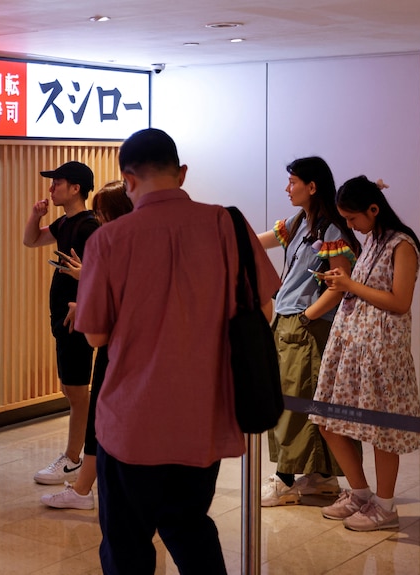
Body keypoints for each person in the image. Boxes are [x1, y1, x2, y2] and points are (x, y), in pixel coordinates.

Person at [75, 128, 280, 574]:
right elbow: (264, 309)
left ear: (127, 180)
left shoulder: (107, 241)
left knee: (126, 545)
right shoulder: (228, 225)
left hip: (130, 421)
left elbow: (95, 337)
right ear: (182, 172)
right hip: (201, 418)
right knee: (190, 528)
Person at [311, 176, 420, 532]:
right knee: (328, 422)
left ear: (374, 210)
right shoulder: (373, 239)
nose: (350, 226)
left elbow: (399, 302)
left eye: (354, 218)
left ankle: (385, 507)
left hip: (381, 353)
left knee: (381, 432)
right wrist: (342, 281)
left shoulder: (401, 244)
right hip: (351, 348)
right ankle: (360, 493)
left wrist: (350, 284)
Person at [256, 157, 361, 507]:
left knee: (294, 402)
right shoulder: (300, 221)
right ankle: (321, 478)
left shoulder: (331, 229)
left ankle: (286, 480)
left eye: (293, 182)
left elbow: (340, 283)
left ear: (312, 187)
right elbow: (262, 241)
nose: (288, 188)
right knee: (303, 399)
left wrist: (306, 317)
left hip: (306, 326)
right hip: (291, 322)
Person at [41, 181, 132, 510]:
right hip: (118, 347)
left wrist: (87, 293)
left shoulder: (127, 245)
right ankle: (82, 488)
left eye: (105, 214)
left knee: (97, 410)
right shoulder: (119, 242)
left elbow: (123, 296)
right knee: (100, 416)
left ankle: (80, 481)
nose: (100, 221)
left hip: (124, 349)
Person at [23, 161, 99, 485]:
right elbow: (31, 240)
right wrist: (35, 216)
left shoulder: (89, 226)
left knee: (78, 389)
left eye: (57, 182)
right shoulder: (65, 223)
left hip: (77, 316)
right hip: (64, 317)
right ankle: (73, 456)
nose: (52, 188)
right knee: (70, 387)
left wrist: (82, 305)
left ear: (76, 188)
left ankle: (72, 459)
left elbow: (97, 274)